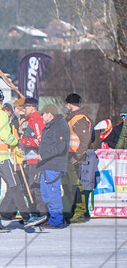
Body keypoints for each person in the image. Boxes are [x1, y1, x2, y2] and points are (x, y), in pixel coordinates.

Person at [0, 87, 45, 233]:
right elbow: (5, 136)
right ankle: (27, 218)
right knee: (15, 186)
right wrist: (16, 140)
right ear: (1, 99)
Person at [37, 105, 70, 228]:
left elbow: (59, 147)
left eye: (43, 114)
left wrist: (43, 155)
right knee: (47, 194)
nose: (42, 116)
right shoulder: (53, 125)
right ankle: (53, 219)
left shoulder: (59, 126)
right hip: (48, 165)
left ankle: (57, 221)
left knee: (52, 194)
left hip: (54, 165)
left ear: (49, 114)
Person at [63, 93, 93, 223]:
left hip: (74, 157)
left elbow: (85, 139)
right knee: (70, 185)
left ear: (70, 104)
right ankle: (72, 210)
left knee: (76, 185)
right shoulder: (73, 118)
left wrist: (77, 155)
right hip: (69, 156)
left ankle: (80, 212)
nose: (65, 106)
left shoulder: (79, 119)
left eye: (66, 104)